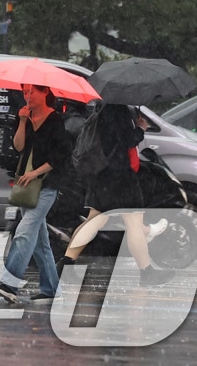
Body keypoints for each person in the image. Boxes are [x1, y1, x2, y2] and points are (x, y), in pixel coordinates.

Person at [57, 101, 172, 286]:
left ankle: (66, 263)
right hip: (120, 176)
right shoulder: (117, 110)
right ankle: (147, 272)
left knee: (94, 220)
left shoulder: (102, 109)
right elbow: (127, 140)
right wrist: (140, 128)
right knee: (134, 222)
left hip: (102, 176)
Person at [0, 83, 73, 304]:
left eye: (32, 92)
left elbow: (59, 157)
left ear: (45, 92)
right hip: (26, 185)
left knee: (24, 232)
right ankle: (51, 288)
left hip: (46, 185)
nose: (27, 96)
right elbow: (18, 147)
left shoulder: (55, 120)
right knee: (40, 242)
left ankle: (9, 284)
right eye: (25, 92)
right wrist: (22, 122)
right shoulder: (26, 117)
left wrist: (36, 172)